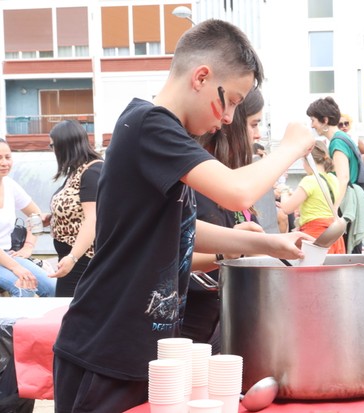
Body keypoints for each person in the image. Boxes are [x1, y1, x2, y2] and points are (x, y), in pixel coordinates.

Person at [53, 20, 315, 412]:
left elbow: (184, 229)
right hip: (107, 348)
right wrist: (291, 148)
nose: (228, 118)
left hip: (145, 352)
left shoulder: (158, 133)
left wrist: (266, 242)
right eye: (231, 100)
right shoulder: (149, 124)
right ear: (202, 77)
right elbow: (236, 190)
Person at [182, 87, 267, 352]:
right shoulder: (196, 178)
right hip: (192, 329)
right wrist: (226, 253)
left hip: (223, 317)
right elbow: (174, 256)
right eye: (253, 124)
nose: (258, 134)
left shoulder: (226, 175)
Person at [307, 97, 364, 254]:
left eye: (313, 120)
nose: (312, 125)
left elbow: (343, 178)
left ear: (325, 120)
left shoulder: (337, 141)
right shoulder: (344, 138)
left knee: (349, 256)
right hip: (354, 198)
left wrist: (333, 209)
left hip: (347, 202)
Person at [47, 120, 103, 297]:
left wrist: (73, 257)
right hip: (73, 258)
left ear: (64, 145)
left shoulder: (92, 171)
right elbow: (77, 209)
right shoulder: (76, 171)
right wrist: (53, 217)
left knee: (69, 313)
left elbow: (92, 218)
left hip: (83, 258)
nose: (53, 150)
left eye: (53, 145)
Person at [0, 139, 56, 298]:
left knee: (53, 287)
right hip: (6, 260)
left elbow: (35, 214)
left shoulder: (10, 185)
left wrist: (28, 247)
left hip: (7, 255)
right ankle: (10, 324)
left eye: (8, 157)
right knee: (24, 289)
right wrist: (16, 268)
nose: (4, 163)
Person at [279, 140, 347, 254]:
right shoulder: (333, 179)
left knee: (313, 271)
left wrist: (284, 191)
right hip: (333, 235)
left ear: (307, 160)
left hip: (315, 236)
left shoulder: (310, 180)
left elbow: (286, 208)